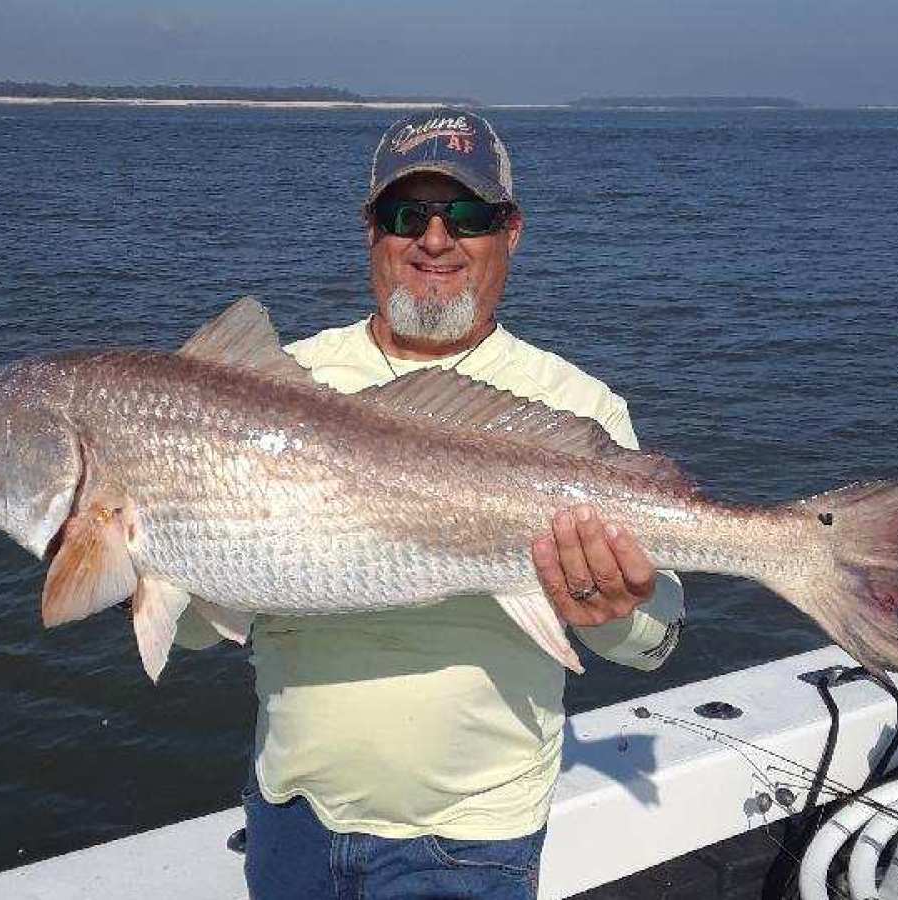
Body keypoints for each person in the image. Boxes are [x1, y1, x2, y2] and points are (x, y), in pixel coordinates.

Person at [178, 109, 685, 899]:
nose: (436, 240)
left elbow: (653, 644)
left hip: (471, 841)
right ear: (370, 231)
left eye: (468, 216)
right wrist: (128, 547)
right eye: (406, 215)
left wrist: (615, 607)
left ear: (510, 232)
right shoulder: (276, 387)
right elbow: (190, 632)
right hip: (291, 818)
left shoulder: (574, 405)